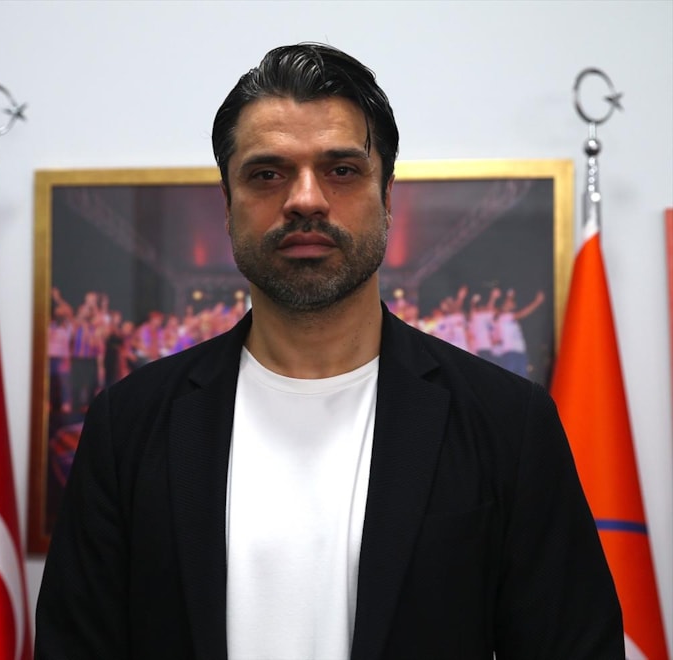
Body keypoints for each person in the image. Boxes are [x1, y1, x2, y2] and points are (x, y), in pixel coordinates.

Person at [35, 43, 623, 659]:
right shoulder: (128, 427)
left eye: (341, 170)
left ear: (387, 197)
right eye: (268, 174)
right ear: (227, 205)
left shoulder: (508, 423)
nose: (306, 199)